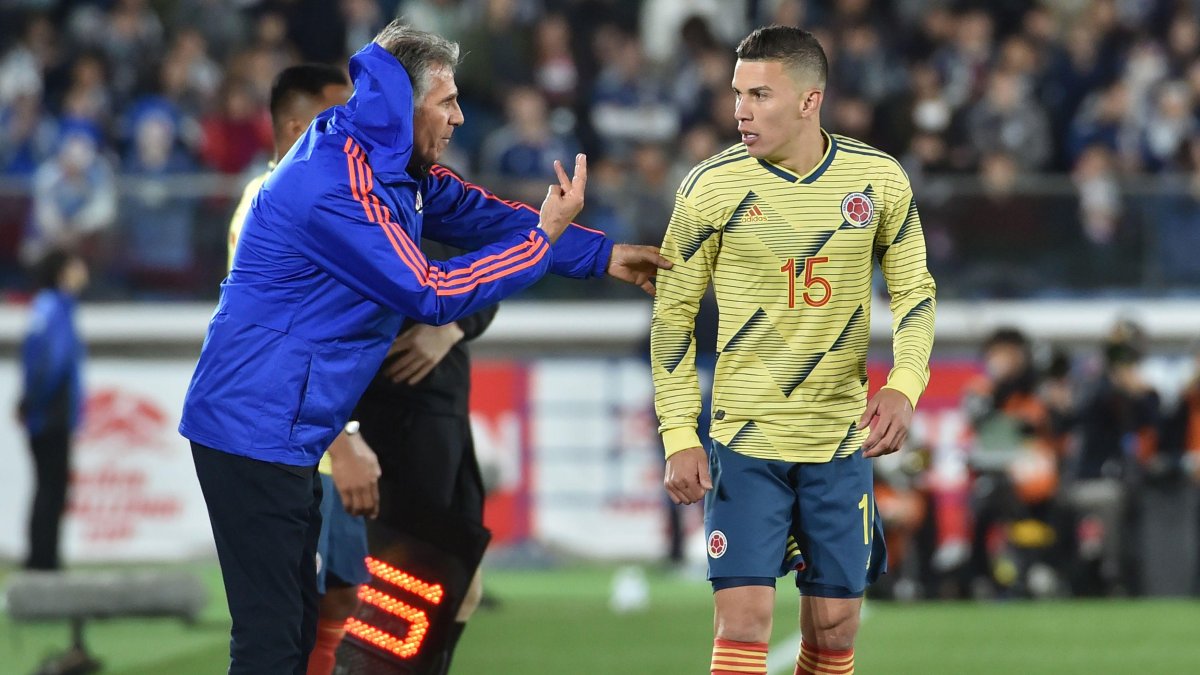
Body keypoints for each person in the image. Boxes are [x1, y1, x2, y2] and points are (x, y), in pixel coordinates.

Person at [180, 21, 669, 674]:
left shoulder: (390, 168)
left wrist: (600, 254)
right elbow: (430, 291)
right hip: (249, 427)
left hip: (284, 427)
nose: (461, 116)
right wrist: (540, 241)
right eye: (447, 102)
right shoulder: (335, 184)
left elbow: (483, 214)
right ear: (401, 108)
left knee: (296, 631)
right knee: (273, 640)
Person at [650, 26, 936, 675]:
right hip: (746, 442)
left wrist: (905, 382)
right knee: (744, 618)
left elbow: (917, 291)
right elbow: (673, 315)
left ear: (811, 101)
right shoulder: (710, 187)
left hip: (839, 442)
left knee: (835, 630)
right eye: (736, 94)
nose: (741, 110)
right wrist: (677, 431)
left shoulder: (878, 180)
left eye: (760, 94)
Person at [226, 63, 380, 675]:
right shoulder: (269, 208)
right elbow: (286, 342)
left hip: (309, 435)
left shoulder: (316, 200)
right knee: (285, 619)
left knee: (335, 597)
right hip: (290, 444)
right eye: (335, 118)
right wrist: (343, 442)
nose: (352, 132)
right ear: (296, 128)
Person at [353, 235, 498, 675]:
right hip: (396, 416)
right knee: (406, 591)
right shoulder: (364, 200)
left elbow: (496, 280)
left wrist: (452, 327)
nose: (437, 159)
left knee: (461, 585)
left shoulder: (444, 202)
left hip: (445, 417)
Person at [18, 248, 88, 571]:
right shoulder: (57, 308)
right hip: (52, 415)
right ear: (63, 272)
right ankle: (44, 564)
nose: (82, 270)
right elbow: (54, 364)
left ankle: (41, 560)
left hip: (45, 413)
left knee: (47, 489)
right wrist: (39, 402)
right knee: (52, 491)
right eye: (75, 264)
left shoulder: (45, 308)